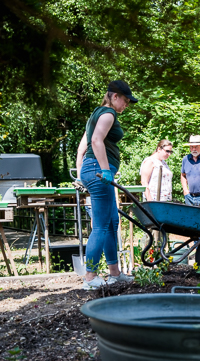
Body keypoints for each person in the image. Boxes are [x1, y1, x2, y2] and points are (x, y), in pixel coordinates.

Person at [76, 80, 138, 290]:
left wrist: (80, 172)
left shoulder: (97, 113)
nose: (126, 105)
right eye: (126, 100)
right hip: (99, 171)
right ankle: (90, 277)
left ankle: (114, 273)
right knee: (101, 224)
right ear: (114, 96)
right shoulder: (108, 114)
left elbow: (83, 145)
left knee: (112, 222)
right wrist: (104, 170)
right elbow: (95, 141)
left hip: (94, 169)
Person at [181, 135, 200, 207]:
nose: (194, 149)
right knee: (189, 217)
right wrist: (185, 190)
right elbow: (183, 175)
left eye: (196, 147)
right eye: (192, 147)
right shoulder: (186, 159)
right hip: (189, 197)